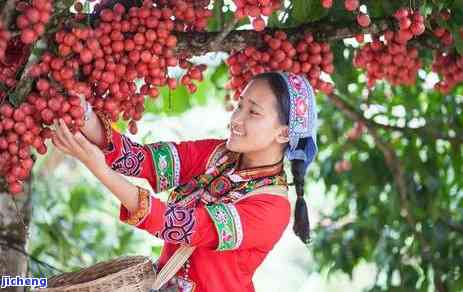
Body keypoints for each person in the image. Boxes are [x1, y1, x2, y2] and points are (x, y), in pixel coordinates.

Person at [51, 71, 319, 292]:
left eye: (253, 112)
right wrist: (81, 113)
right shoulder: (216, 154)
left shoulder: (272, 208)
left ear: (284, 133)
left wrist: (99, 168)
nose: (236, 119)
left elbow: (181, 225)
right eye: (239, 105)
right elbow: (141, 160)